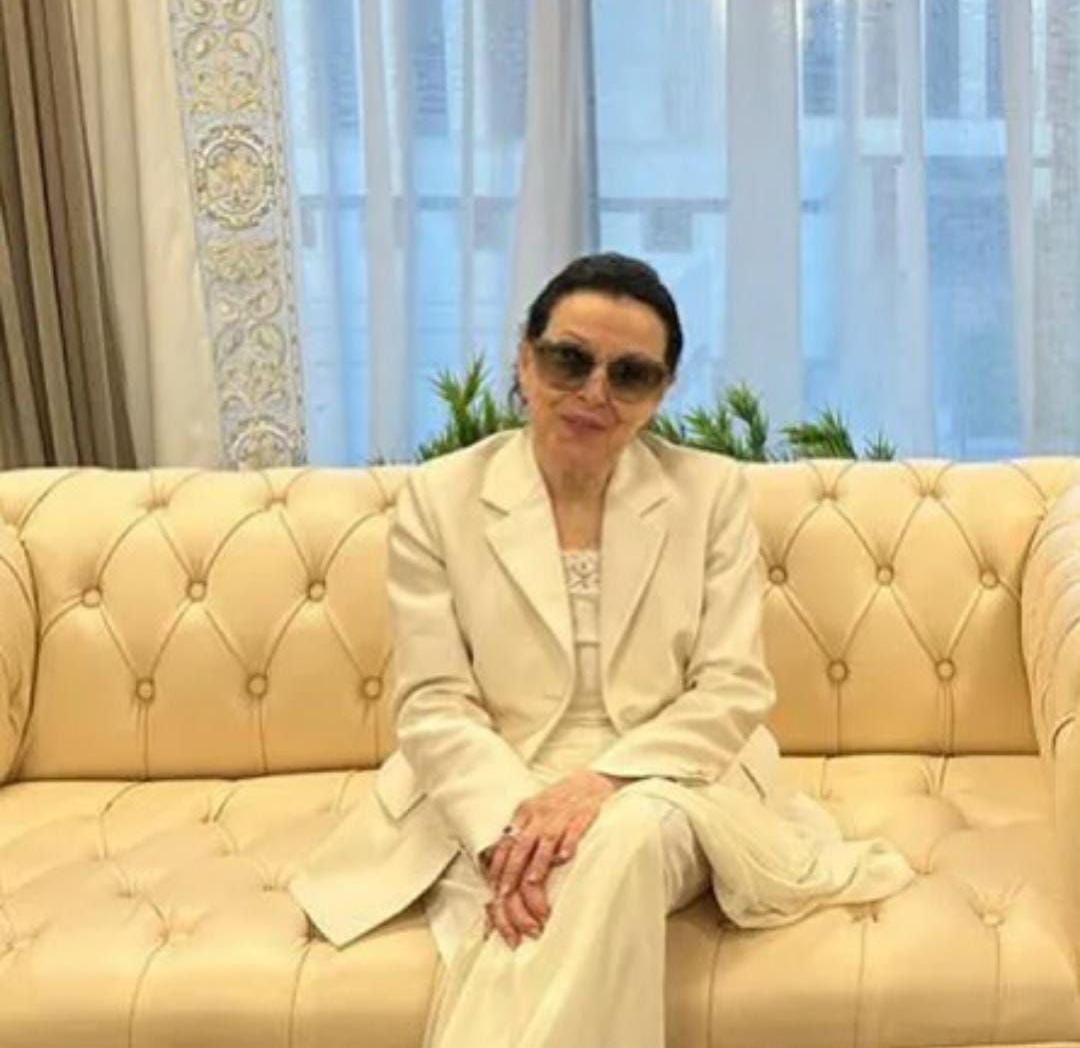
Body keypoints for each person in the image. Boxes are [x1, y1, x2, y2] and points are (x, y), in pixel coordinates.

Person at [290, 253, 912, 1048]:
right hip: (498, 778)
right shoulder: (440, 497)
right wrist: (510, 834)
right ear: (525, 359)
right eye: (569, 360)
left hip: (673, 779)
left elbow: (731, 689)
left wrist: (602, 782)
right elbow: (435, 702)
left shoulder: (711, 492)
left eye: (631, 375)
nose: (594, 392)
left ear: (662, 391)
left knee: (626, 834)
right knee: (555, 886)